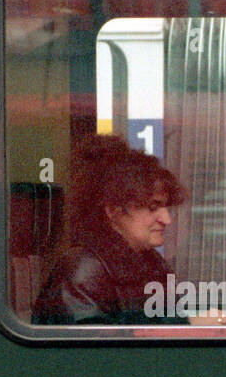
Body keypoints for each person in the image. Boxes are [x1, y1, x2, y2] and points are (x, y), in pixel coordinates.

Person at [32, 135, 187, 324]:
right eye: (153, 207)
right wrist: (187, 325)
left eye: (165, 207)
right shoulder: (84, 270)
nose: (166, 219)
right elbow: (95, 348)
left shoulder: (152, 263)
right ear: (113, 210)